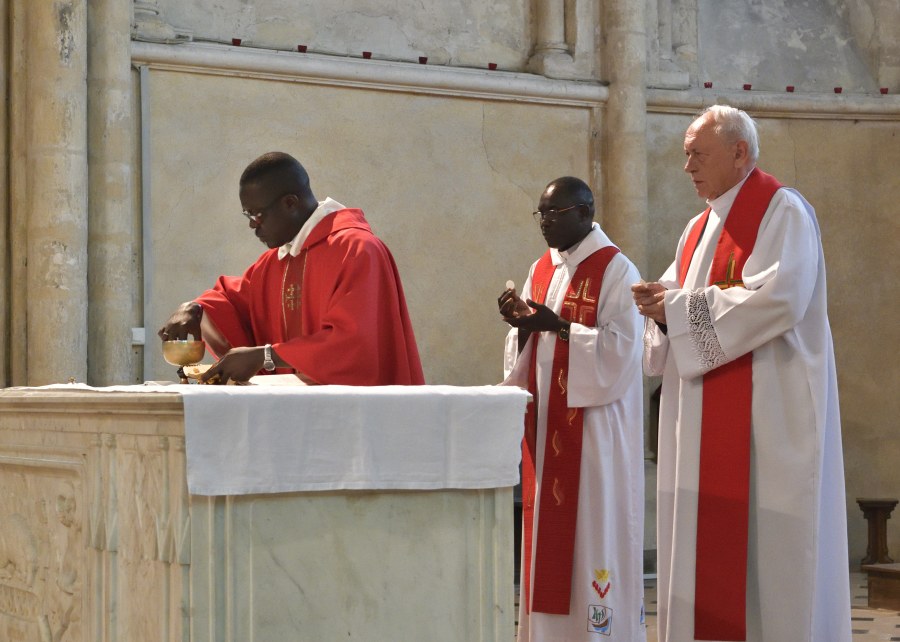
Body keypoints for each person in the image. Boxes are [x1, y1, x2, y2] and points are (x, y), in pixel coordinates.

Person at [631, 105, 850, 641]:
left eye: (697, 155)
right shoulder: (697, 227)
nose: (687, 167)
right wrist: (657, 305)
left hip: (769, 414)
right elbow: (678, 297)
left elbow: (780, 298)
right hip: (702, 419)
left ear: (739, 152)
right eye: (685, 155)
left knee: (771, 554)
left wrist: (675, 308)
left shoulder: (782, 211)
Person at [499, 177, 645, 641]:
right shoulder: (541, 267)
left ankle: (598, 632)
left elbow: (624, 351)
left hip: (596, 430)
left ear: (584, 213)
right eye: (540, 214)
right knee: (550, 530)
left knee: (592, 529)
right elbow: (529, 345)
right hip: (549, 426)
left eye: (554, 214)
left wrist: (559, 327)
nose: (544, 223)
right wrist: (522, 324)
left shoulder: (616, 269)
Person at [158, 151, 424, 386]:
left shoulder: (356, 250)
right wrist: (194, 309)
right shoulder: (275, 262)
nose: (252, 225)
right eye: (247, 215)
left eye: (257, 215)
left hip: (354, 415)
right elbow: (234, 303)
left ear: (290, 203)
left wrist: (265, 356)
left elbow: (354, 345)